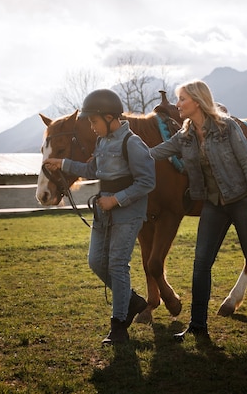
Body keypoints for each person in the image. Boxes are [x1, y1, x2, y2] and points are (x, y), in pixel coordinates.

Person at [149, 80, 247, 341]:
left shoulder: (227, 127)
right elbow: (154, 153)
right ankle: (198, 325)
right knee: (201, 264)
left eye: (182, 99)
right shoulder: (185, 135)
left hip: (242, 200)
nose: (176, 104)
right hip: (214, 204)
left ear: (197, 102)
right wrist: (123, 149)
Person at [43, 89, 155, 345]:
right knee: (95, 262)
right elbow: (93, 169)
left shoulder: (133, 144)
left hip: (127, 214)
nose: (91, 128)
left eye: (93, 122)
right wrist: (63, 164)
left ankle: (118, 327)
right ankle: (133, 301)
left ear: (108, 117)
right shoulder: (102, 143)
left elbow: (147, 182)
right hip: (104, 213)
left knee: (117, 265)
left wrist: (116, 199)